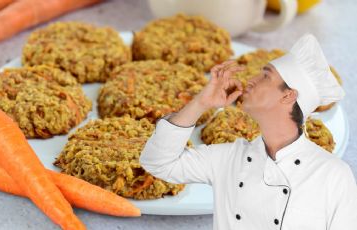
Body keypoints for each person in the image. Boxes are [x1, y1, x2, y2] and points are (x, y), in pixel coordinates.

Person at [139, 34, 357, 230]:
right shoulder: (230, 158)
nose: (250, 80)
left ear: (288, 96)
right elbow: (158, 162)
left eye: (265, 76)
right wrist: (201, 103)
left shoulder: (333, 175)